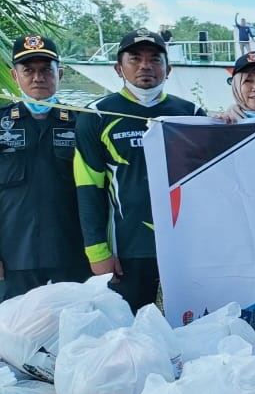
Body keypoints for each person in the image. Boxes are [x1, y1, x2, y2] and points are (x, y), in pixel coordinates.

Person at [74, 29, 205, 311]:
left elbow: (211, 183)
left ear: (168, 69)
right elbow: (88, 189)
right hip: (128, 247)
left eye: (154, 59)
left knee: (193, 325)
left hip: (186, 247)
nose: (145, 66)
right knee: (127, 330)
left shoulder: (191, 113)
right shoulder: (96, 115)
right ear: (118, 68)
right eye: (135, 59)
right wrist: (97, 251)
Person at [0, 36, 89, 300]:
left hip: (74, 254)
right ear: (15, 75)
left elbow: (99, 191)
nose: (38, 77)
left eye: (46, 69)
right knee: (16, 336)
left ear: (61, 74)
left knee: (76, 334)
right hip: (14, 257)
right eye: (28, 70)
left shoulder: (81, 123)